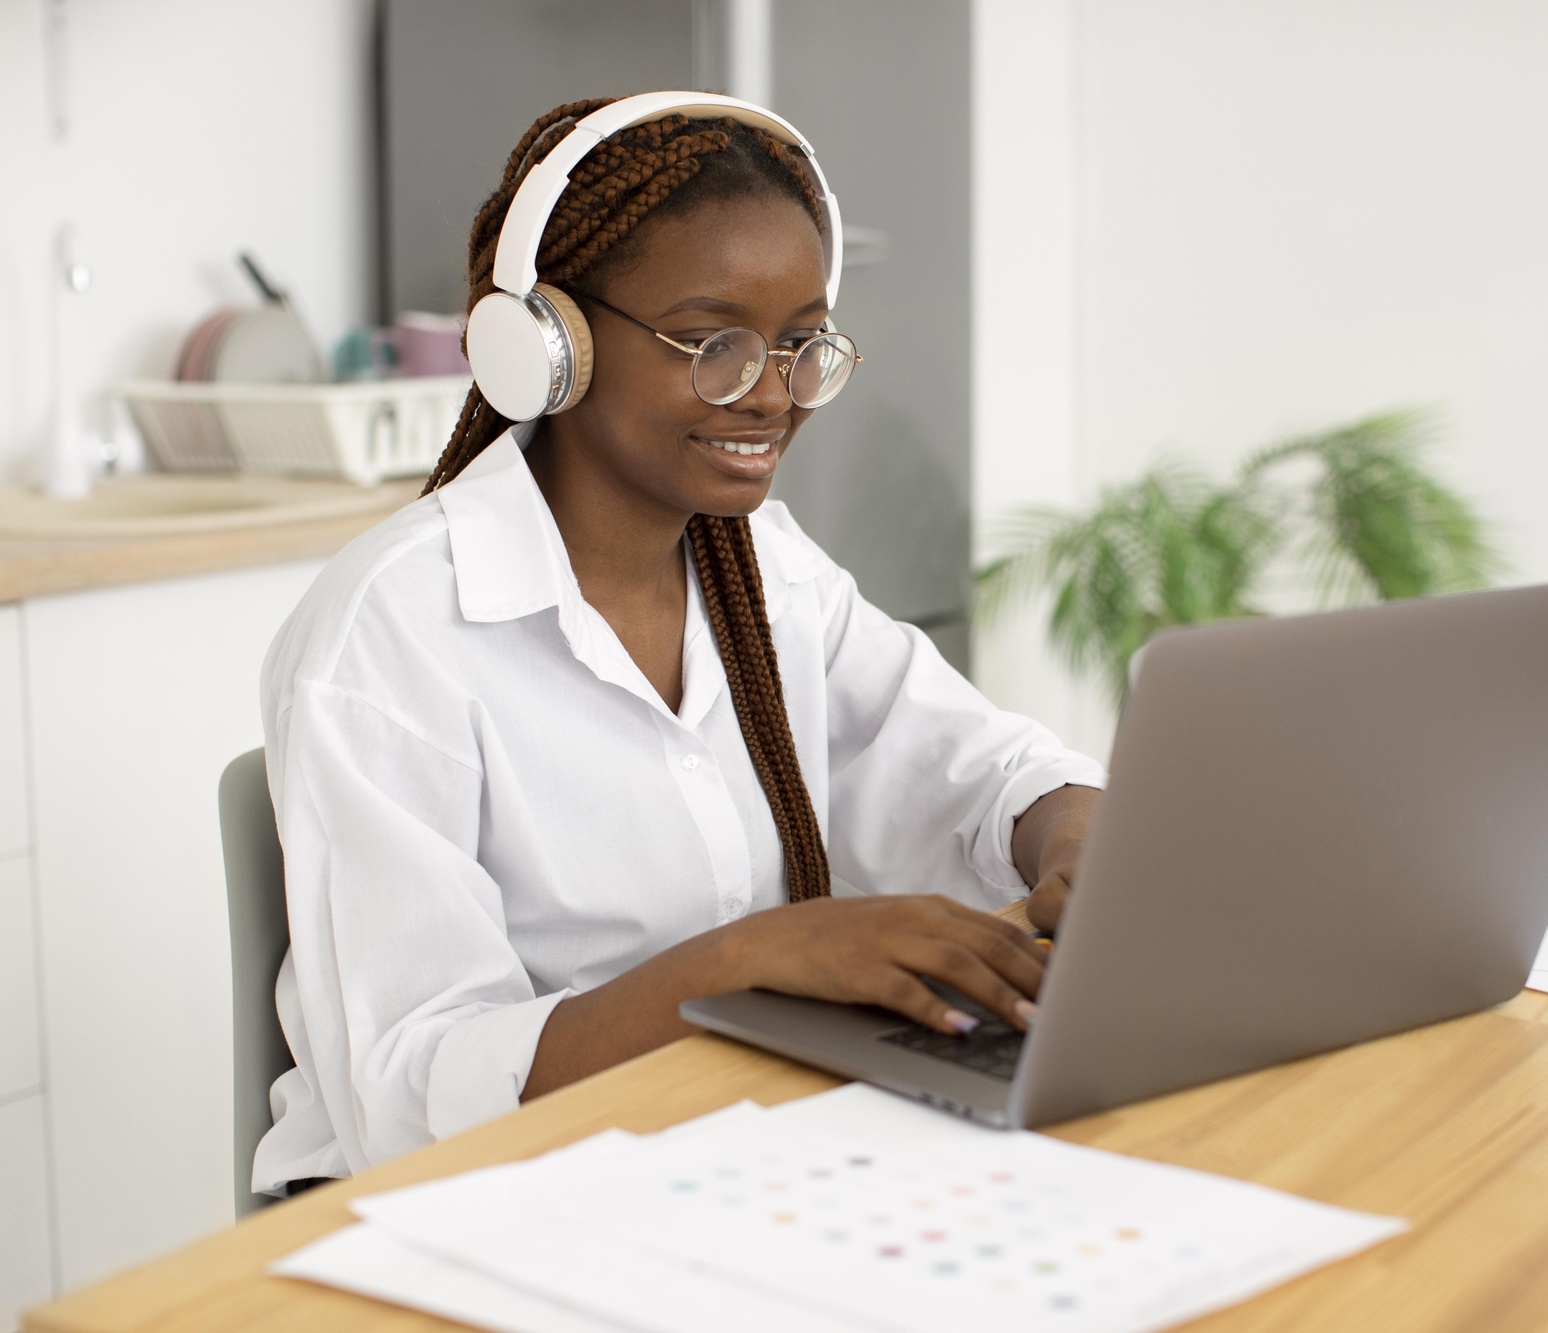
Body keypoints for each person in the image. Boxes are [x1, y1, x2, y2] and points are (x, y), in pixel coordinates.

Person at [253, 98, 1103, 1195]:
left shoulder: (761, 566)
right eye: (713, 344)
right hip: (447, 1202)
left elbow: (975, 767)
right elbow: (408, 1094)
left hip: (704, 1143)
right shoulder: (391, 631)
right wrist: (742, 963)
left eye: (801, 343)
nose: (771, 393)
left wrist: (1076, 838)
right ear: (545, 344)